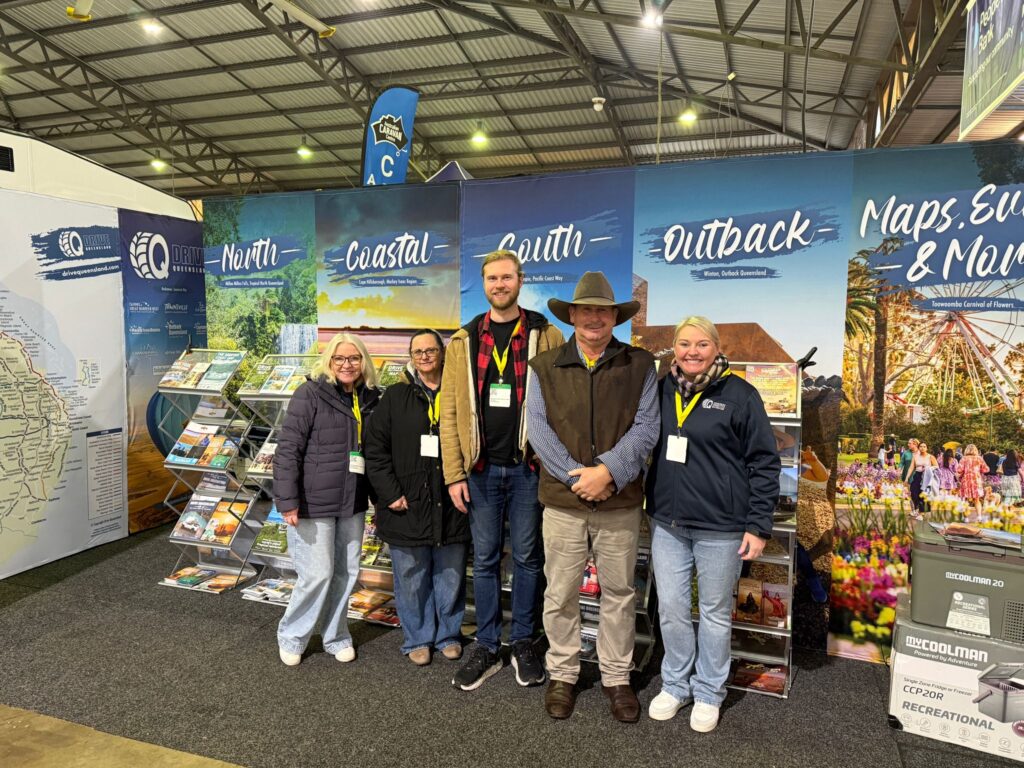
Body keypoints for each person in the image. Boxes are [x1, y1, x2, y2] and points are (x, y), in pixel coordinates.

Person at [524, 271, 659, 724]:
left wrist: (609, 473)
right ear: (573, 316)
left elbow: (647, 428)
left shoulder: (640, 365)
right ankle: (562, 672)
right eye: (587, 310)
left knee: (619, 593)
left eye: (603, 310)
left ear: (614, 317)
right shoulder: (544, 367)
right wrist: (578, 478)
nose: (594, 318)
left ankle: (616, 677)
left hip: (620, 504)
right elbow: (538, 430)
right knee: (559, 591)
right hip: (563, 503)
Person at [644, 316, 780, 733]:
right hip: (667, 522)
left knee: (716, 612)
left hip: (721, 527)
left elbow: (764, 462)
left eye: (701, 344)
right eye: (684, 344)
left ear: (717, 348)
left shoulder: (740, 394)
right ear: (674, 348)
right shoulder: (660, 390)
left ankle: (707, 691)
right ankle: (675, 683)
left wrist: (757, 525)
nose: (692, 352)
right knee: (670, 609)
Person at [440, 250, 564, 691]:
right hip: (480, 470)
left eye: (507, 277)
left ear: (520, 280)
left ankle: (524, 641)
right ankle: (488, 644)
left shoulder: (545, 334)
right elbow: (451, 410)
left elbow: (561, 403)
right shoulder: (464, 339)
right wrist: (454, 473)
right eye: (492, 278)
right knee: (488, 559)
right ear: (484, 283)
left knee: (530, 559)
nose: (499, 284)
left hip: (529, 468)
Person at [273, 333, 380, 666]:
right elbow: (288, 449)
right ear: (329, 362)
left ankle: (336, 636)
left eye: (354, 358)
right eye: (340, 359)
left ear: (364, 362)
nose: (347, 365)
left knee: (346, 572)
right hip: (312, 502)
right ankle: (292, 635)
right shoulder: (310, 394)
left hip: (353, 500)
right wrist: (287, 501)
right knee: (317, 573)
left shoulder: (371, 398)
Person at [365, 330, 469, 666]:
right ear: (411, 357)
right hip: (406, 504)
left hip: (452, 503)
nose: (424, 356)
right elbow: (375, 450)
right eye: (418, 351)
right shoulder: (395, 397)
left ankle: (449, 634)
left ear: (443, 353)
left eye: (431, 350)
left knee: (449, 574)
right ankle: (417, 638)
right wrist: (390, 493)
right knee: (411, 576)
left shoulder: (459, 393)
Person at [957, 444, 986, 520]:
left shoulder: (963, 459)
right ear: (976, 450)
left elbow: (959, 470)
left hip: (966, 479)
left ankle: (966, 518)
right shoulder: (979, 459)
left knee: (965, 499)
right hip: (976, 479)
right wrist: (979, 471)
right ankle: (979, 516)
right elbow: (986, 469)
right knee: (977, 499)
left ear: (966, 450)